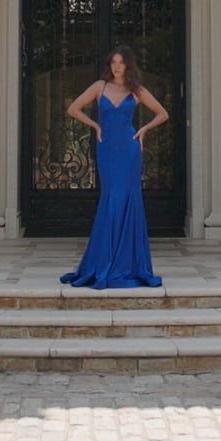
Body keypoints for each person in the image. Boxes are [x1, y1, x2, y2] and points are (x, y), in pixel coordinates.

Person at [60, 44, 169, 289]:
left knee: (129, 199)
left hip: (129, 149)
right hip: (107, 147)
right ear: (109, 65)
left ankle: (128, 264)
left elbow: (162, 113)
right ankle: (104, 261)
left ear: (128, 65)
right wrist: (95, 126)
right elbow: (73, 108)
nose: (117, 67)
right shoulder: (99, 87)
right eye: (113, 62)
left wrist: (144, 129)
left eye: (121, 62)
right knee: (111, 198)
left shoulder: (136, 90)